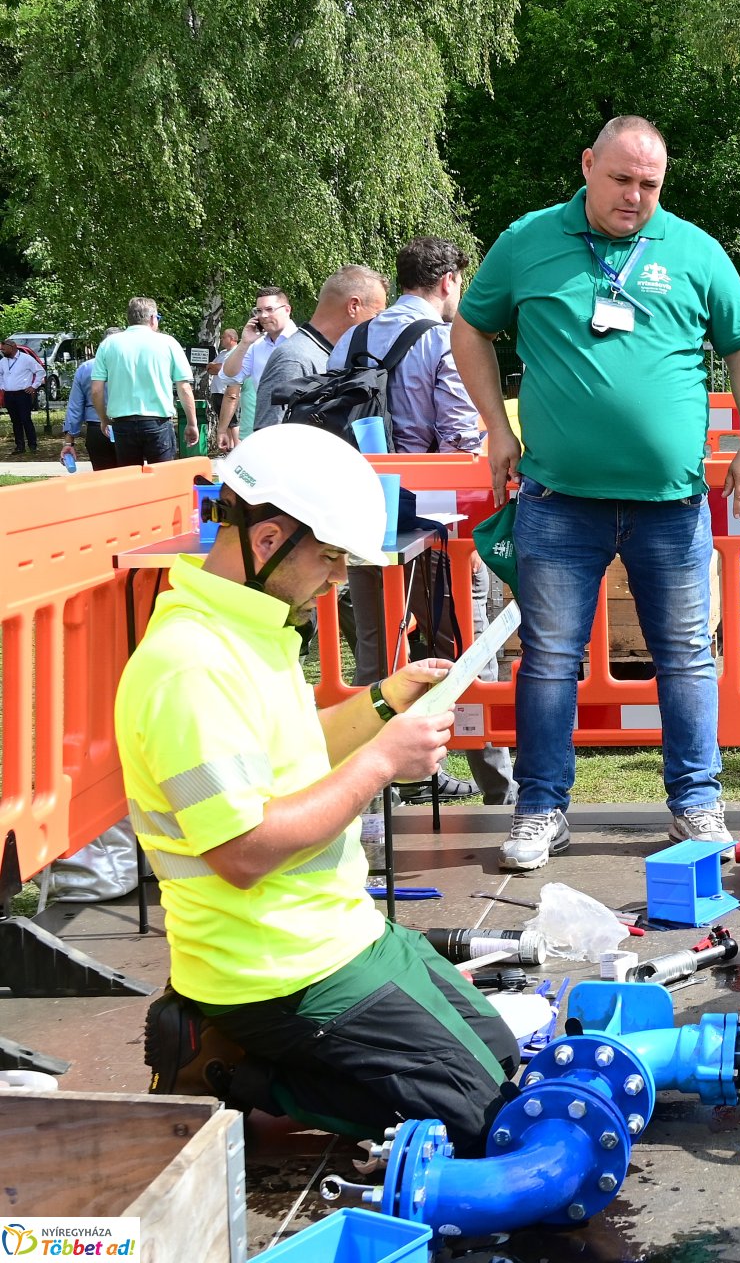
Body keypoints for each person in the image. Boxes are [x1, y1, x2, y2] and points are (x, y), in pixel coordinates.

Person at [123, 424, 517, 1155]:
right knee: (485, 1124)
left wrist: (382, 703)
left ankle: (282, 1065)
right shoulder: (191, 668)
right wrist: (380, 764)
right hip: (272, 966)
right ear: (269, 539)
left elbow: (292, 749)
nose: (338, 578)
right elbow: (242, 851)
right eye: (330, 556)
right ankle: (232, 1072)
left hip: (335, 932)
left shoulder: (246, 629)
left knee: (503, 1066)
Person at [451, 114, 740, 872]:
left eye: (651, 185)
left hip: (673, 502)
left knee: (689, 657)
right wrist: (496, 427)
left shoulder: (694, 249)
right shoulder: (529, 239)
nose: (636, 198)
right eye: (623, 180)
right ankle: (540, 810)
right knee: (551, 659)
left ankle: (697, 803)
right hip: (559, 500)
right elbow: (471, 329)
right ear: (588, 163)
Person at [336, 236, 513, 807]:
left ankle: (376, 788)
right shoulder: (443, 341)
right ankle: (501, 789)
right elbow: (463, 440)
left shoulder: (351, 340)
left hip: (368, 516)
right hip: (440, 525)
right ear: (447, 283)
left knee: (376, 646)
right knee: (467, 650)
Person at [254, 266, 388, 430]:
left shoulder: (330, 355)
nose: (378, 323)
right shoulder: (294, 359)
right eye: (377, 314)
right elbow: (268, 439)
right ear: (353, 306)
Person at [93, 298, 199, 466]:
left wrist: (103, 419)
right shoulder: (168, 343)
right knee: (162, 481)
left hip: (122, 423)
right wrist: (192, 422)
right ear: (152, 318)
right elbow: (184, 388)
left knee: (130, 482)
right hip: (158, 422)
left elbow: (96, 390)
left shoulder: (108, 344)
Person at [217, 286, 294, 448]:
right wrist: (244, 342)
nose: (263, 316)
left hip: (296, 427)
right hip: (264, 427)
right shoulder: (256, 345)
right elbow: (228, 376)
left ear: (287, 310)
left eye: (269, 309)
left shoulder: (301, 340)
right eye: (258, 311)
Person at [61, 339, 115, 472]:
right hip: (127, 427)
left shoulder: (86, 368)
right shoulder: (131, 365)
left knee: (103, 479)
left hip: (97, 429)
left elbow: (75, 407)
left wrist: (69, 441)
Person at [1, 337, 44, 454]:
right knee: (15, 421)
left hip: (23, 393)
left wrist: (34, 386)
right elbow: (1, 374)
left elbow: (40, 372)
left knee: (25, 419)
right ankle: (19, 446)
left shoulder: (26, 359)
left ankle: (32, 445)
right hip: (9, 394)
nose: (2, 351)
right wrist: (3, 386)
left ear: (13, 347)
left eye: (4, 349)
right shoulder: (3, 361)